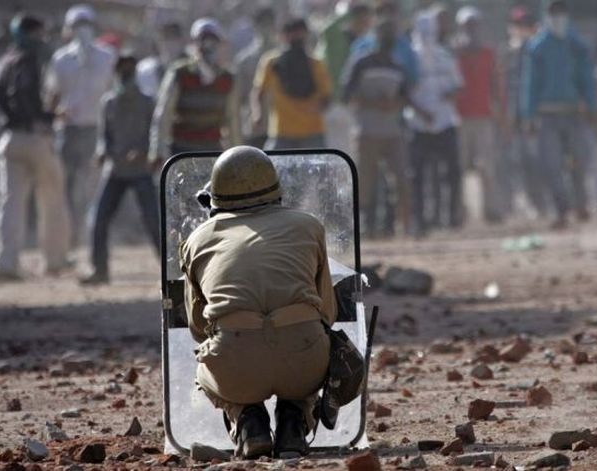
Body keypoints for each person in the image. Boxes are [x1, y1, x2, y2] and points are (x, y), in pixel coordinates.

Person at [179, 146, 335, 458]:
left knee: (205, 365)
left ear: (216, 197)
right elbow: (327, 313)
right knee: (312, 343)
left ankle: (248, 422)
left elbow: (197, 327)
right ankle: (294, 421)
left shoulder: (197, 239)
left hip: (235, 365)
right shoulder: (308, 226)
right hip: (304, 361)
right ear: (276, 189)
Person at [0, 14, 71, 279]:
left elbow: (1, 98)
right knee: (52, 198)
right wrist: (47, 116)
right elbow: (23, 96)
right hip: (35, 137)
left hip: (10, 139)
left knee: (10, 203)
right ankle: (54, 260)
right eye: (38, 33)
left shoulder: (3, 62)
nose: (42, 39)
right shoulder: (29, 62)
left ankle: (5, 262)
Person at [80, 54, 160, 285]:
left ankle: (170, 270)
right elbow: (103, 136)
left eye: (129, 71)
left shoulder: (147, 102)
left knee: (153, 221)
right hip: (115, 170)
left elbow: (155, 134)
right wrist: (101, 152)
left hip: (140, 170)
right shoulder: (109, 102)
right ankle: (99, 270)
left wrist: (143, 151)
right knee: (98, 219)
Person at [520, 0, 597, 229]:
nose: (558, 17)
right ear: (547, 15)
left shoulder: (576, 44)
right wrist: (528, 115)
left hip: (573, 113)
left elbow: (586, 78)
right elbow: (530, 84)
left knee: (578, 162)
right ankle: (561, 210)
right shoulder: (537, 47)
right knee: (552, 165)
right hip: (547, 115)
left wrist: (591, 106)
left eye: (561, 12)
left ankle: (581, 204)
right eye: (554, 12)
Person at [45, 4, 116, 244]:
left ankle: (92, 233)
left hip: (97, 128)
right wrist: (55, 115)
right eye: (77, 25)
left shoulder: (107, 56)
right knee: (66, 185)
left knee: (94, 185)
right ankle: (70, 233)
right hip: (69, 129)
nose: (81, 30)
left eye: (85, 24)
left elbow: (113, 92)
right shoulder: (61, 59)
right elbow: (53, 94)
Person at [341, 18, 411, 238]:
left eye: (391, 33)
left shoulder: (397, 65)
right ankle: (362, 227)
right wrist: (374, 104)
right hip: (366, 131)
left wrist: (393, 104)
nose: (387, 37)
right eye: (384, 33)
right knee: (364, 183)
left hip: (392, 132)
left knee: (401, 179)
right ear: (375, 36)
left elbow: (405, 97)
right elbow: (347, 95)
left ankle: (403, 227)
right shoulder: (361, 62)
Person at [150, 18, 240, 162]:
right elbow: (164, 114)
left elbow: (233, 119)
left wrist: (238, 155)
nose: (208, 46)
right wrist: (157, 151)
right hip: (182, 153)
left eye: (212, 41)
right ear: (194, 43)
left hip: (212, 152)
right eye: (203, 40)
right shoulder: (180, 73)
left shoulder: (227, 79)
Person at [406, 10, 464, 235]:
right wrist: (421, 111)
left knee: (452, 172)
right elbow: (404, 91)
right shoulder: (410, 58)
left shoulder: (445, 56)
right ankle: (420, 220)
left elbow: (458, 85)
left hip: (445, 121)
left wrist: (448, 97)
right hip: (417, 124)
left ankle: (451, 217)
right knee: (418, 176)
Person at [454, 7, 504, 223]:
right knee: (460, 167)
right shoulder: (454, 53)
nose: (471, 30)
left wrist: (501, 113)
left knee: (487, 166)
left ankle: (491, 209)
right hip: (459, 118)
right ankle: (460, 211)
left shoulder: (488, 53)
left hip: (484, 117)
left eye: (474, 25)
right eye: (467, 26)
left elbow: (496, 84)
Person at [252, 18, 332, 150]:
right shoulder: (271, 63)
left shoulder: (316, 64)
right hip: (282, 132)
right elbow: (259, 92)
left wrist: (316, 108)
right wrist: (257, 115)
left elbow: (326, 99)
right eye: (292, 34)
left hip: (312, 133)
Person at [501, 6, 548, 217]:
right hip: (516, 118)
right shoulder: (509, 52)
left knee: (541, 161)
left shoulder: (539, 50)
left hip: (538, 116)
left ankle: (546, 202)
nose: (521, 29)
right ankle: (531, 203)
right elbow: (505, 88)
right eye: (517, 25)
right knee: (519, 163)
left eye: (524, 25)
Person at [347, 0, 419, 88]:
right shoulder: (361, 45)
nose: (386, 18)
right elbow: (351, 81)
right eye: (380, 12)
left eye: (391, 13)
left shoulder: (406, 47)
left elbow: (413, 81)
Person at [234, 7, 276, 147]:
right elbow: (239, 97)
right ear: (256, 27)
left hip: (280, 125)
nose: (266, 29)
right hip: (254, 125)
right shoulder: (245, 60)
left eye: (269, 24)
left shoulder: (282, 57)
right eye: (262, 24)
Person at [316, 3, 373, 98]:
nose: (366, 25)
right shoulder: (336, 37)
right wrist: (349, 14)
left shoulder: (367, 43)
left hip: (351, 97)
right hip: (330, 93)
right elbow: (327, 29)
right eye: (363, 20)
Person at [136, 22, 186, 100]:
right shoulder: (146, 70)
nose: (170, 45)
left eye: (174, 39)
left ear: (181, 42)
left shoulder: (191, 67)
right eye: (166, 39)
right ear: (159, 43)